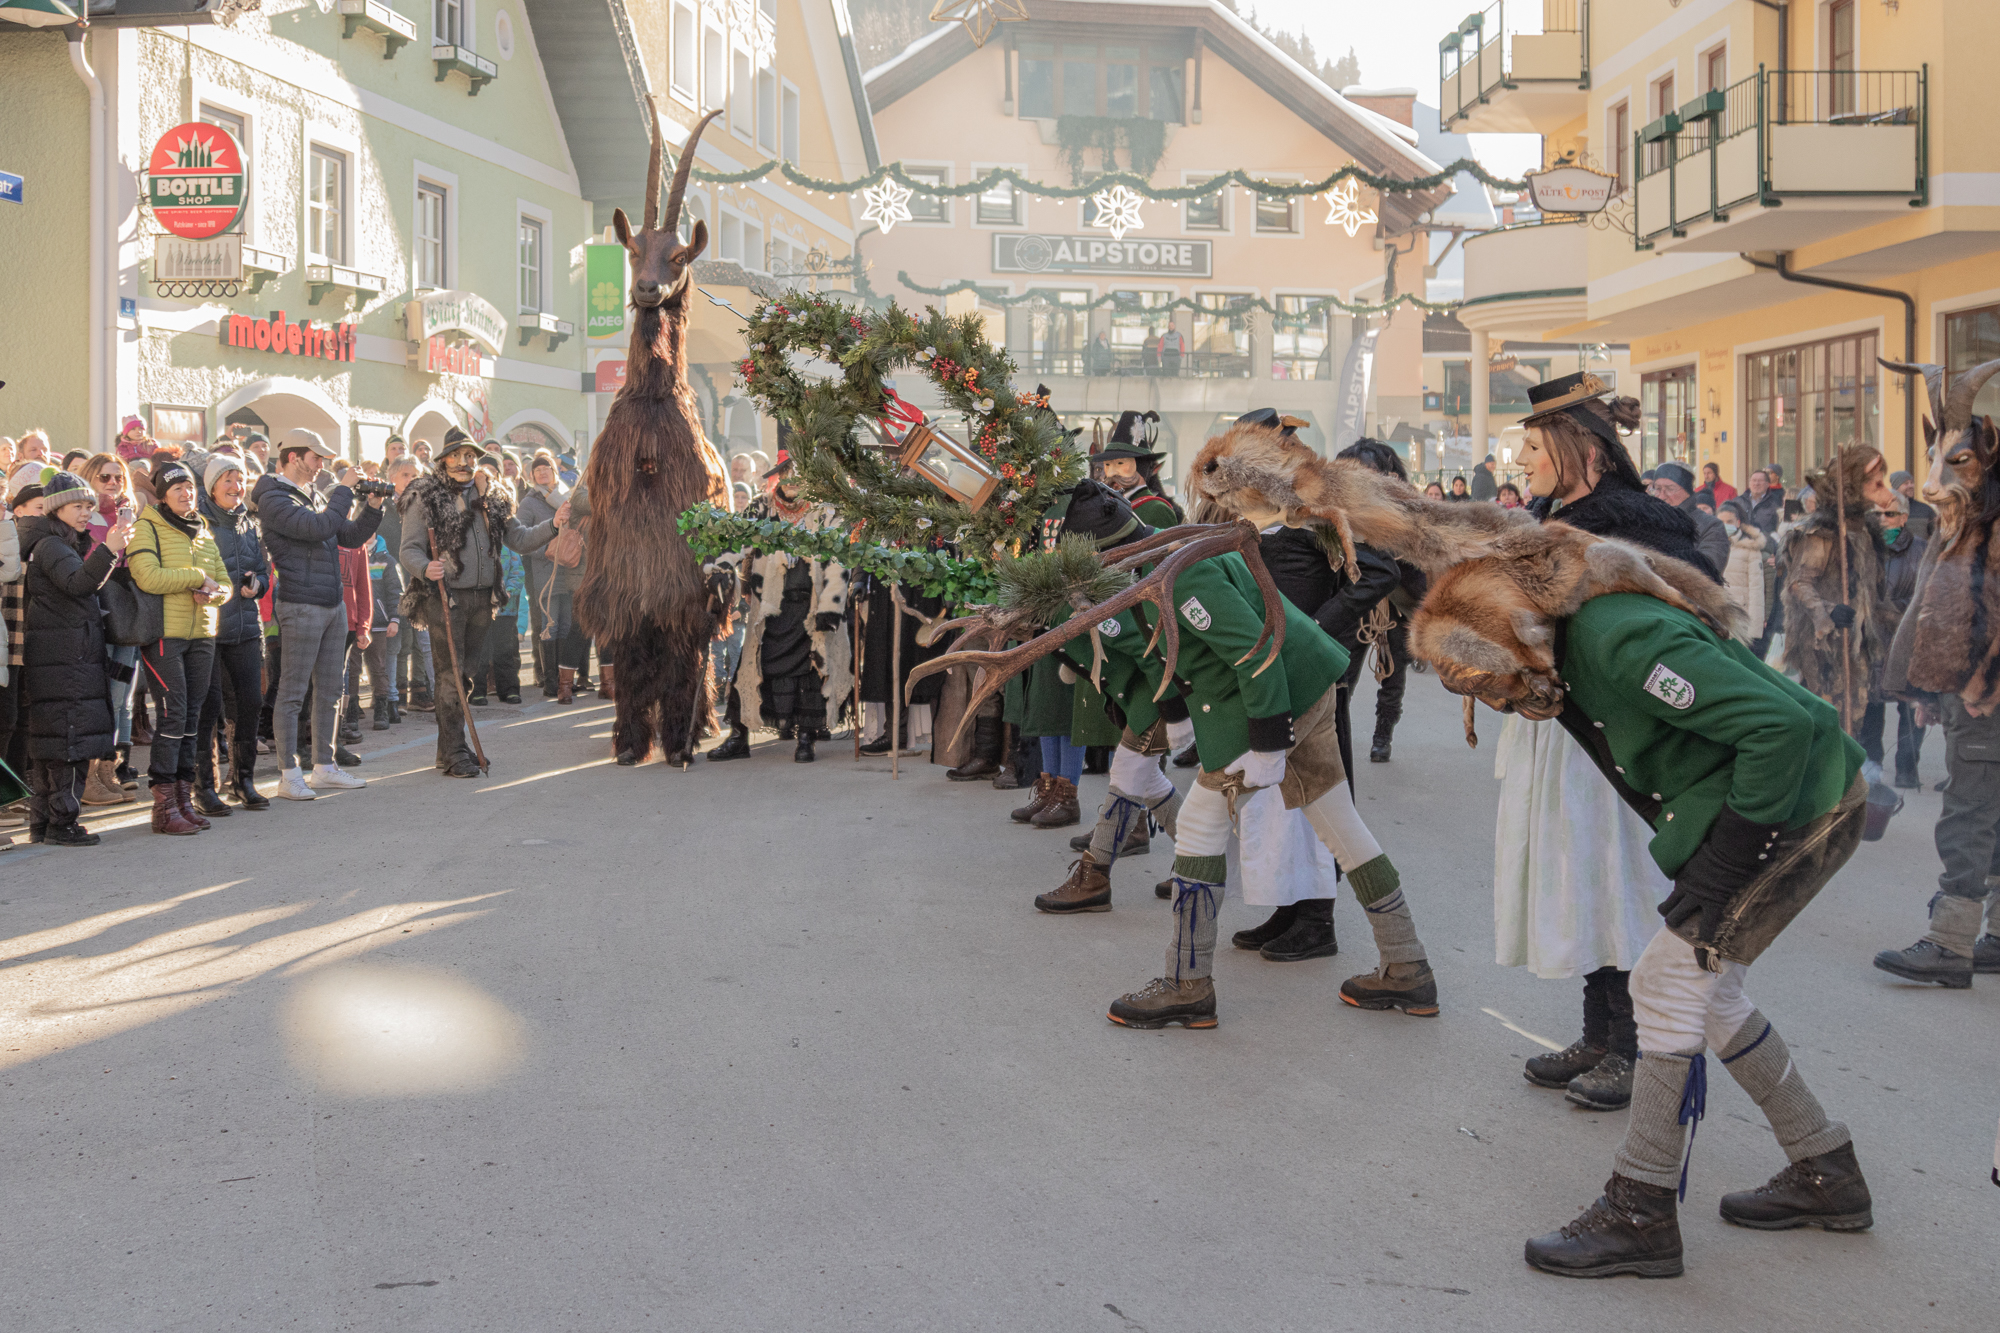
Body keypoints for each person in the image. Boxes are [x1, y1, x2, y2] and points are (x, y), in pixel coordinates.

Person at [1429, 554, 1870, 1277]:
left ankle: (1641, 1208)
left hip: (1799, 802)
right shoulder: (1567, 641)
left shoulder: (1620, 640)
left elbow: (1781, 729)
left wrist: (1725, 862)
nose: (1509, 703)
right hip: (1766, 804)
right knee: (1709, 992)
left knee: (1666, 982)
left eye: (1500, 686)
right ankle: (1827, 1166)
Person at [1494, 375, 1695, 1110]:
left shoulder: (1642, 523)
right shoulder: (1545, 518)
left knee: (1621, 883)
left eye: (1533, 444)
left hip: (1618, 734)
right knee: (1580, 877)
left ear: (1583, 449)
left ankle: (1638, 1047)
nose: (1521, 458)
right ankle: (1599, 1033)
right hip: (1562, 731)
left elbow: (1677, 632)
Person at [396, 428, 564, 777]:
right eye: (456, 456)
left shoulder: (493, 495)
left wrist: (555, 525)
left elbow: (519, 538)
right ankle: (456, 752)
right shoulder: (424, 495)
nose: (464, 462)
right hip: (444, 598)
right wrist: (426, 567)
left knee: (467, 674)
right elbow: (408, 549)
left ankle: (448, 749)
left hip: (483, 599)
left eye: (470, 456)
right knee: (450, 675)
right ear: (443, 460)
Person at [251, 427, 386, 801]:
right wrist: (343, 488)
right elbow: (319, 528)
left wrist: (372, 507)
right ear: (293, 457)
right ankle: (289, 772)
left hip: (330, 604)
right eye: (315, 458)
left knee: (331, 690)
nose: (320, 465)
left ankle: (324, 767)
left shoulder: (311, 495)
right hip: (299, 603)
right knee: (293, 692)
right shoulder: (273, 497)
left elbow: (350, 535)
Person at [19, 471, 131, 845]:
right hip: (65, 657)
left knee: (56, 739)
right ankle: (61, 823)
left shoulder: (55, 542)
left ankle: (45, 824)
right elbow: (79, 584)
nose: (86, 513)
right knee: (70, 739)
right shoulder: (51, 545)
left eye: (88, 506)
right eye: (78, 506)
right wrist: (109, 549)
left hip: (66, 654)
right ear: (57, 509)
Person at [712, 459, 849, 764]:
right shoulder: (761, 508)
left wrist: (830, 607)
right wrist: (720, 566)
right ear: (778, 478)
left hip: (809, 611)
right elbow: (737, 540)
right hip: (769, 612)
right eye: (786, 475)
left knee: (809, 677)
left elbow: (839, 562)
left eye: (799, 475)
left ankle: (806, 739)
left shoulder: (824, 512)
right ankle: (738, 737)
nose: (792, 481)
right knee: (749, 673)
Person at [127, 459, 231, 835]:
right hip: (163, 636)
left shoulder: (202, 530)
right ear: (163, 495)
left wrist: (215, 594)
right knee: (173, 717)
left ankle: (183, 801)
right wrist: (195, 577)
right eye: (177, 489)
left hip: (202, 633)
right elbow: (147, 576)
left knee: (192, 718)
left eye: (189, 488)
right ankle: (163, 807)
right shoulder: (146, 527)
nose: (187, 494)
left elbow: (224, 582)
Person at [1779, 447, 1896, 726]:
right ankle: (1830, 768)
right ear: (1854, 486)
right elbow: (1800, 582)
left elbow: (1874, 593)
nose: (1885, 491)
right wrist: (1829, 611)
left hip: (1858, 645)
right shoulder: (1822, 532)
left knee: (1854, 714)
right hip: (1826, 646)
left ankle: (1847, 767)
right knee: (1829, 716)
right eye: (1876, 483)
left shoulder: (1864, 532)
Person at [193, 453, 272, 812]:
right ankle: (204, 788)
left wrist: (258, 585)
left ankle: (243, 781)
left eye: (240, 480)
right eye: (228, 480)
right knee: (208, 710)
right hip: (210, 628)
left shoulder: (248, 523)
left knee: (251, 704)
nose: (236, 488)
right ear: (211, 486)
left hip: (246, 626)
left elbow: (263, 571)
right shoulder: (198, 523)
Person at [77, 452, 140, 800]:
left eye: (118, 477)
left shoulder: (129, 517)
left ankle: (107, 771)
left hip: (127, 616)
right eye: (104, 477)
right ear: (89, 478)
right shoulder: (85, 519)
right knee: (98, 697)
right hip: (97, 614)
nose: (113, 483)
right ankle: (87, 778)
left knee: (120, 698)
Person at [1856, 495, 1927, 790]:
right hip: (1870, 640)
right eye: (1877, 513)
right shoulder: (1861, 549)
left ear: (1903, 517)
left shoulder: (1921, 550)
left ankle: (1907, 768)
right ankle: (1872, 769)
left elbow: (1927, 597)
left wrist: (1890, 611)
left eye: (1890, 513)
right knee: (1871, 708)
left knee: (1909, 707)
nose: (1883, 519)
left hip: (1907, 639)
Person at [517, 453, 567, 698]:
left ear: (554, 471)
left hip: (570, 568)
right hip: (545, 570)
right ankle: (551, 682)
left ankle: (566, 679)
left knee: (567, 625)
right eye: (537, 470)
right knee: (550, 625)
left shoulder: (566, 496)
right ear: (531, 476)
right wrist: (544, 549)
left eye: (546, 468)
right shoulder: (529, 502)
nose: (542, 472)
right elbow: (521, 536)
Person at [1094, 410, 1181, 531]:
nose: (1111, 473)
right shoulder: (1108, 505)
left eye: (1120, 464)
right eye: (1108, 465)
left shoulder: (1157, 510)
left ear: (1140, 468)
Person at [1650, 460, 1729, 578]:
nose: (1661, 495)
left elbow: (1708, 570)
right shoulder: (1648, 521)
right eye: (1657, 488)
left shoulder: (1710, 526)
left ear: (1688, 491)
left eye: (1670, 488)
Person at [1889, 469, 1935, 541]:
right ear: (1896, 487)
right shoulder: (1886, 510)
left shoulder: (1925, 510)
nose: (1911, 486)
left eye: (1911, 482)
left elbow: (1937, 537)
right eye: (1906, 483)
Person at [1744, 469, 1782, 535]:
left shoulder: (1775, 501)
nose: (1756, 483)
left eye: (1760, 481)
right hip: (1744, 541)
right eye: (1754, 480)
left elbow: (1778, 525)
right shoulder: (1740, 501)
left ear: (1767, 484)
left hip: (1766, 541)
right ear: (1749, 483)